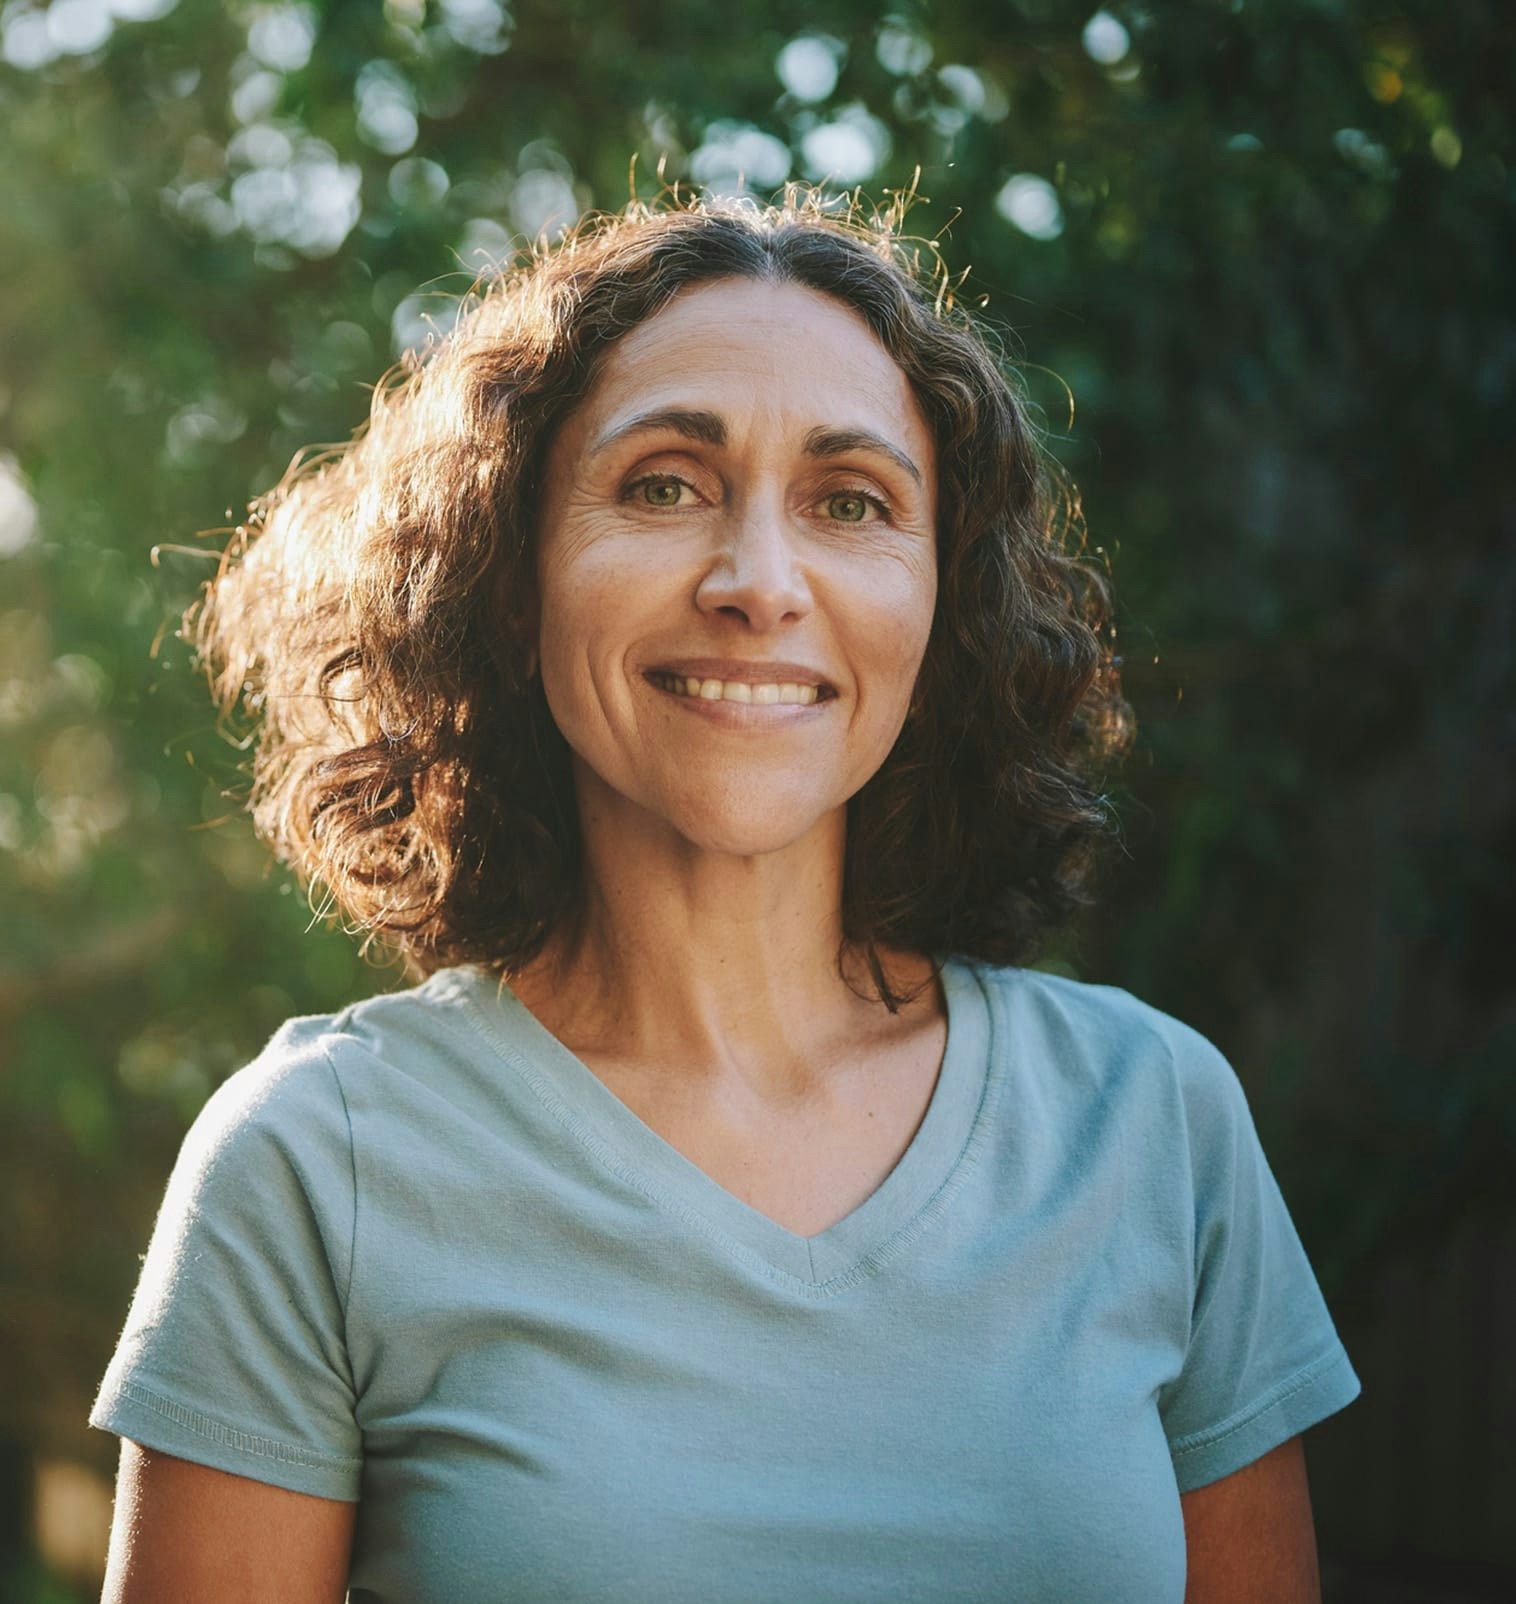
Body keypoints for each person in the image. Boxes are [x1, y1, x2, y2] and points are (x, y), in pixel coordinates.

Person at [90, 191, 1359, 1602]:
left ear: (941, 606)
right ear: (511, 581)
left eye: (850, 504)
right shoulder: (318, 1164)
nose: (761, 582)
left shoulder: (1153, 1126)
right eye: (663, 485)